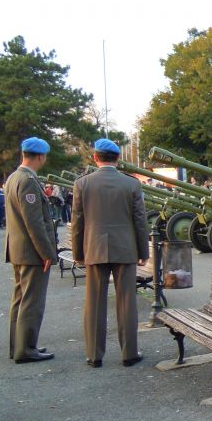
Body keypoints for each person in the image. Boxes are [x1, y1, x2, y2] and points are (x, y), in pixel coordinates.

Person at [71, 138, 149, 368]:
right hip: (125, 248)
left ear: (96, 158)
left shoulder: (82, 184)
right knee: (127, 301)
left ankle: (94, 355)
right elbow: (140, 220)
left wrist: (78, 253)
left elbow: (77, 222)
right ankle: (129, 353)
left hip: (94, 248)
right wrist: (143, 250)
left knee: (94, 302)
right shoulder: (132, 184)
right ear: (118, 159)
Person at [4, 137, 58, 364]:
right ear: (40, 156)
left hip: (18, 249)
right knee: (31, 302)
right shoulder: (28, 181)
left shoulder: (14, 177)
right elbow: (34, 222)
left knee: (20, 300)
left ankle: (19, 346)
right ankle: (26, 349)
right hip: (32, 252)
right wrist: (47, 253)